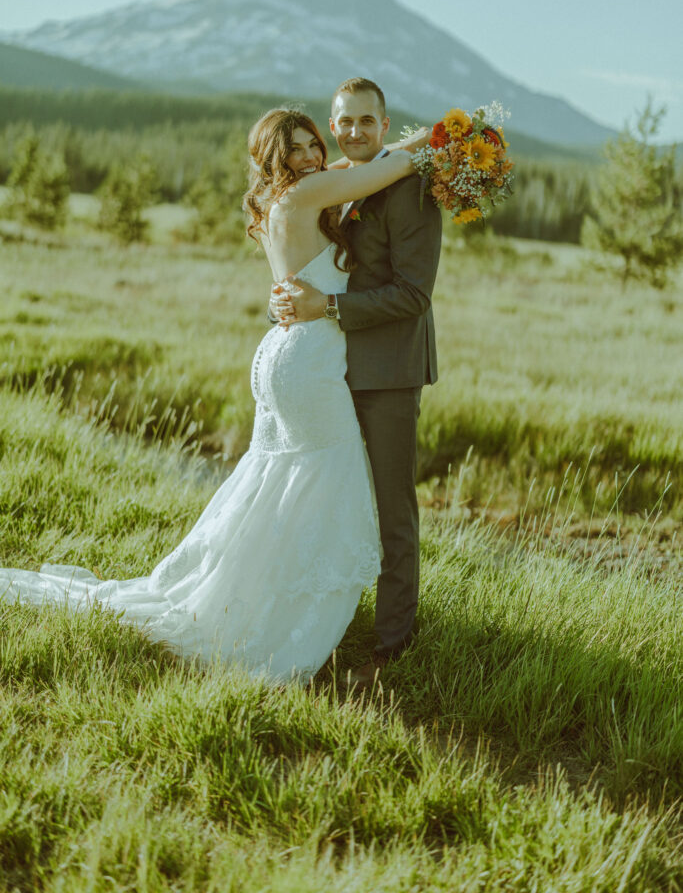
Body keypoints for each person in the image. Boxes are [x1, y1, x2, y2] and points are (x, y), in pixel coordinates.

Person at [0, 108, 431, 686]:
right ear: (275, 160)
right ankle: (281, 617)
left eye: (311, 145)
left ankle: (243, 590)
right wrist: (450, 134)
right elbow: (389, 164)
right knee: (330, 481)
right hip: (305, 359)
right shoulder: (306, 192)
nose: (308, 155)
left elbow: (363, 179)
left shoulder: (289, 203)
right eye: (295, 149)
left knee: (277, 483)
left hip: (287, 350)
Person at [271, 79, 442, 688]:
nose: (353, 134)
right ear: (332, 123)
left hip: (390, 372)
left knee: (393, 509)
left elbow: (414, 294)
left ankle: (394, 644)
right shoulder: (337, 182)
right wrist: (290, 302)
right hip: (332, 369)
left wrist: (328, 310)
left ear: (385, 123)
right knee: (335, 502)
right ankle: (328, 620)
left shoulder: (411, 187)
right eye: (344, 123)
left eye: (367, 122)